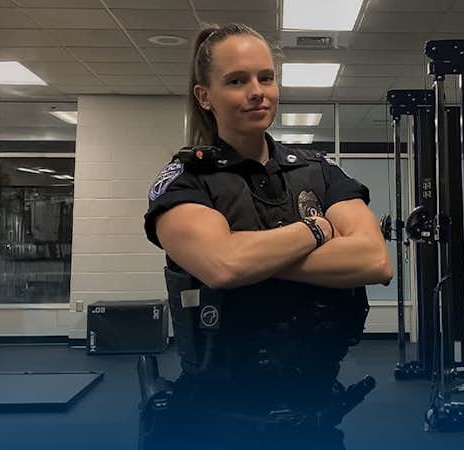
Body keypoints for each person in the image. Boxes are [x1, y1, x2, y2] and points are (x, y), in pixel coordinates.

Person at [140, 23, 392, 449]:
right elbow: (224, 266)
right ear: (205, 96)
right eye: (236, 81)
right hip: (215, 424)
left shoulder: (320, 172)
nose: (257, 91)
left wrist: (258, 256)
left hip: (314, 423)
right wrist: (317, 229)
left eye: (266, 77)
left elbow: (373, 260)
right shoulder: (184, 182)